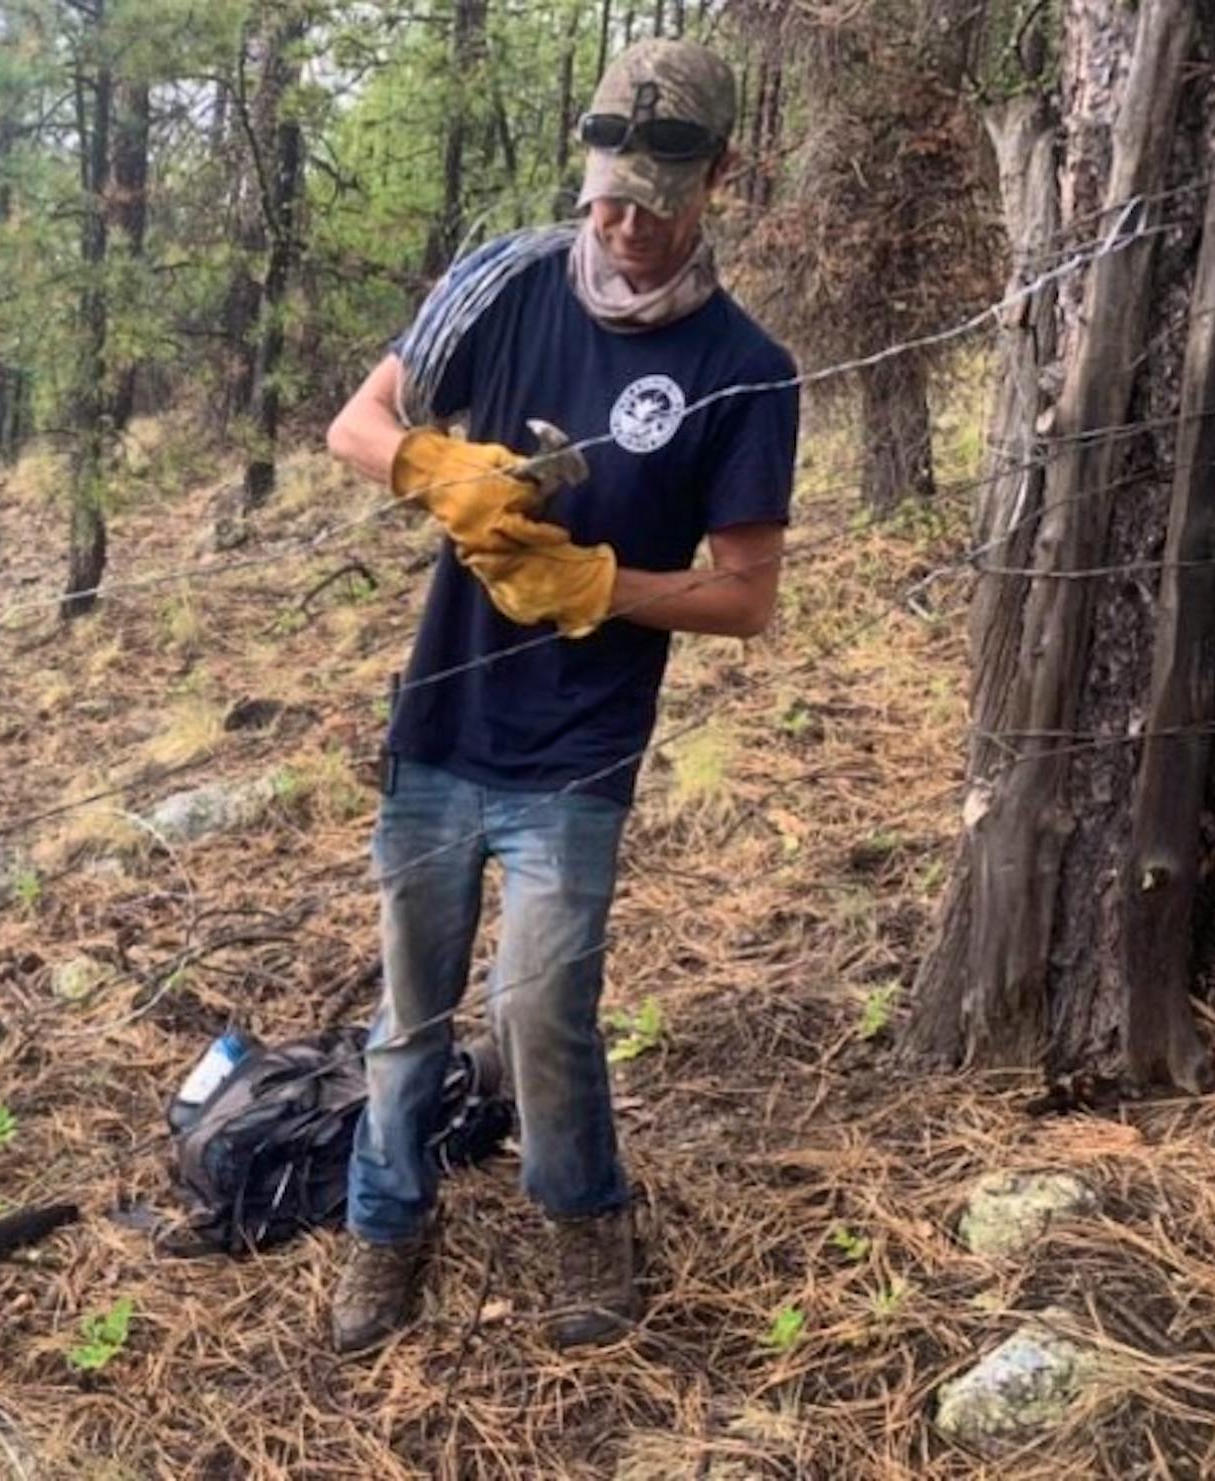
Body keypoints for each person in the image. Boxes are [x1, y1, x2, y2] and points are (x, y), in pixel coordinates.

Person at [322, 36, 800, 1355]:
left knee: (539, 1003)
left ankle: (583, 1212)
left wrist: (598, 584)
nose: (627, 224)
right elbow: (355, 424)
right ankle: (384, 1226)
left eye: (658, 198)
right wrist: (438, 471)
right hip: (442, 719)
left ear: (721, 180)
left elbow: (747, 594)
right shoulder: (505, 279)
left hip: (580, 748)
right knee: (410, 1009)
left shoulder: (743, 367)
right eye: (607, 194)